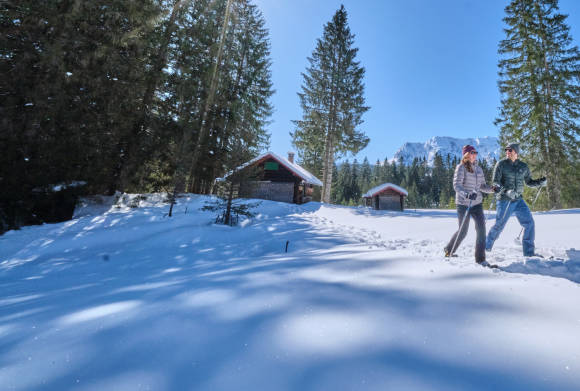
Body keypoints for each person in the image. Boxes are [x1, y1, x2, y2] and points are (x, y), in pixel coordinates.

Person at [485, 142, 547, 256]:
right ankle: (485, 247)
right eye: (506, 150)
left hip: (518, 200)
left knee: (529, 223)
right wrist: (506, 191)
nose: (507, 152)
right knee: (499, 225)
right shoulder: (501, 164)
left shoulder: (523, 166)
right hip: (504, 200)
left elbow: (529, 182)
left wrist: (540, 182)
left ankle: (529, 253)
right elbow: (496, 182)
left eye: (510, 150)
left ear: (516, 152)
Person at [444, 145, 495, 265]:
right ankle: (449, 249)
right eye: (472, 152)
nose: (474, 154)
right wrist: (466, 195)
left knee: (481, 229)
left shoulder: (479, 169)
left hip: (476, 203)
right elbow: (457, 186)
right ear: (466, 155)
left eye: (476, 152)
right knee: (463, 231)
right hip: (463, 204)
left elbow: (482, 186)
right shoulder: (461, 167)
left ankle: (480, 259)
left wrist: (492, 189)